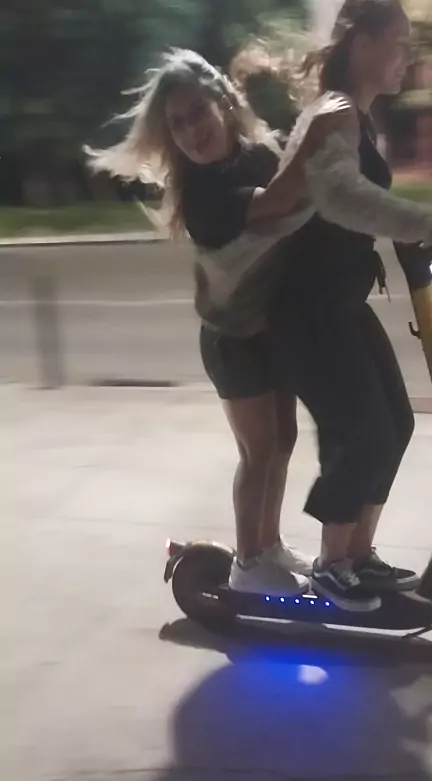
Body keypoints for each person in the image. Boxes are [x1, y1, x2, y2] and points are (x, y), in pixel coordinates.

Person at [85, 49, 348, 595]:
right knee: (257, 453)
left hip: (269, 327)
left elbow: (300, 176)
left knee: (283, 440)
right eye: (177, 124)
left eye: (197, 113)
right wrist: (320, 126)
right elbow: (281, 197)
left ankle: (269, 545)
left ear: (224, 104)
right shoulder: (203, 197)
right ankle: (248, 563)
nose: (190, 132)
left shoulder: (257, 153)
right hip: (232, 340)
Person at [266, 0, 432, 612]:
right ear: (362, 44)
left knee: (396, 424)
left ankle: (357, 554)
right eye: (398, 43)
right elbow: (341, 198)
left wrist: (426, 224)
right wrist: (422, 221)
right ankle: (331, 565)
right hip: (306, 309)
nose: (406, 56)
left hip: (340, 301)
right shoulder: (335, 112)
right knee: (365, 432)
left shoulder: (359, 117)